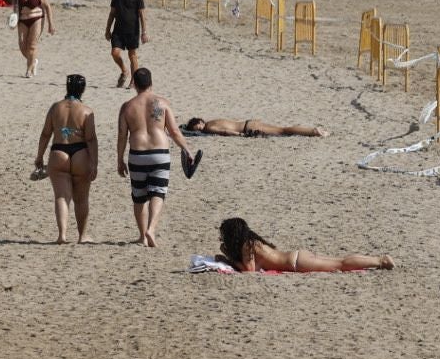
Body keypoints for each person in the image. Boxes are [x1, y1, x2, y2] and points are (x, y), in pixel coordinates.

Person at [116, 67, 193, 248]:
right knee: (158, 193)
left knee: (139, 196)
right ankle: (151, 229)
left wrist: (119, 159)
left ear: (134, 83)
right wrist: (186, 149)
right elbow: (174, 131)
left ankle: (142, 236)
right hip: (160, 154)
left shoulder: (127, 106)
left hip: (137, 154)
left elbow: (121, 135)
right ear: (151, 82)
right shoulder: (162, 103)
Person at [34, 74, 97, 244]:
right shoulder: (86, 110)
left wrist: (39, 156)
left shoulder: (55, 108)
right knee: (81, 199)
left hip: (58, 151)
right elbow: (91, 139)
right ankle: (82, 236)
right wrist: (94, 163)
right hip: (80, 153)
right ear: (82, 89)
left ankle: (62, 235)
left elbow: (46, 134)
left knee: (61, 196)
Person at [215, 217, 393, 273]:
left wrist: (227, 259)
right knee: (340, 261)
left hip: (295, 263)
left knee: (341, 265)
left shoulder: (247, 246)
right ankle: (378, 260)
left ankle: (379, 261)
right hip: (297, 255)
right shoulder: (253, 241)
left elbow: (249, 271)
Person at [105, 0, 147, 87]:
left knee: (132, 55)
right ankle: (124, 70)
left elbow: (142, 15)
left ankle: (134, 81)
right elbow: (112, 13)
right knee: (115, 53)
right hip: (118, 30)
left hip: (132, 31)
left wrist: (144, 32)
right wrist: (107, 29)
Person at [14, 0, 54, 78]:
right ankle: (33, 61)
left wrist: (50, 24)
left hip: (37, 18)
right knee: (22, 45)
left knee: (32, 46)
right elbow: (16, 2)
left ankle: (29, 69)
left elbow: (47, 7)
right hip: (22, 19)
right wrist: (14, 16)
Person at [184, 117, 327, 138]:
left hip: (247, 129)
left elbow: (225, 131)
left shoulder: (209, 128)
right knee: (283, 129)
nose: (198, 129)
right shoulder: (213, 120)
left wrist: (239, 135)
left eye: (196, 127)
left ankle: (313, 131)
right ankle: (313, 130)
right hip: (249, 122)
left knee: (284, 131)